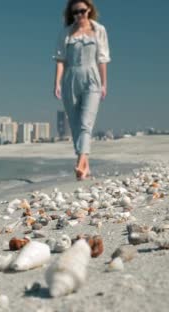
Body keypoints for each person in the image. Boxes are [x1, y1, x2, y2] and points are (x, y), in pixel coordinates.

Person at [53, 0, 110, 180]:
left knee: (86, 122)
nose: (79, 15)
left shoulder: (99, 30)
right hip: (71, 78)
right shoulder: (66, 33)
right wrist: (57, 83)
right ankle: (85, 167)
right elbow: (61, 60)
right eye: (75, 12)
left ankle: (80, 162)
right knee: (76, 123)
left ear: (89, 10)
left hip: (92, 77)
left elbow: (103, 59)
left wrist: (104, 83)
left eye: (82, 11)